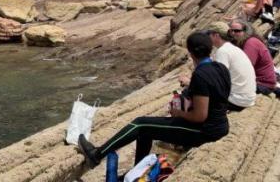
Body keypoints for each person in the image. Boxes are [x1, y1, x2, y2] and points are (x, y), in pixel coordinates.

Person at [77, 31, 231, 167]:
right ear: (210, 49)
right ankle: (138, 172)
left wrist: (178, 113)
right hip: (220, 125)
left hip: (205, 131)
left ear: (190, 53)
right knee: (146, 131)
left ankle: (96, 155)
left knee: (139, 123)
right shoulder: (220, 68)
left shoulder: (200, 75)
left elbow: (199, 116)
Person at [179, 22, 255, 111]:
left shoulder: (223, 51)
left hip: (236, 100)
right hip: (245, 98)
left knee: (189, 93)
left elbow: (217, 82)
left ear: (216, 35)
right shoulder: (232, 48)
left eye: (208, 34)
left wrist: (190, 82)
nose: (206, 38)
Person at [229, 20, 280, 97]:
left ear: (246, 31)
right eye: (230, 31)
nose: (233, 33)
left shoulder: (251, 43)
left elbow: (245, 67)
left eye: (236, 31)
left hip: (263, 85)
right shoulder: (243, 42)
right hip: (260, 82)